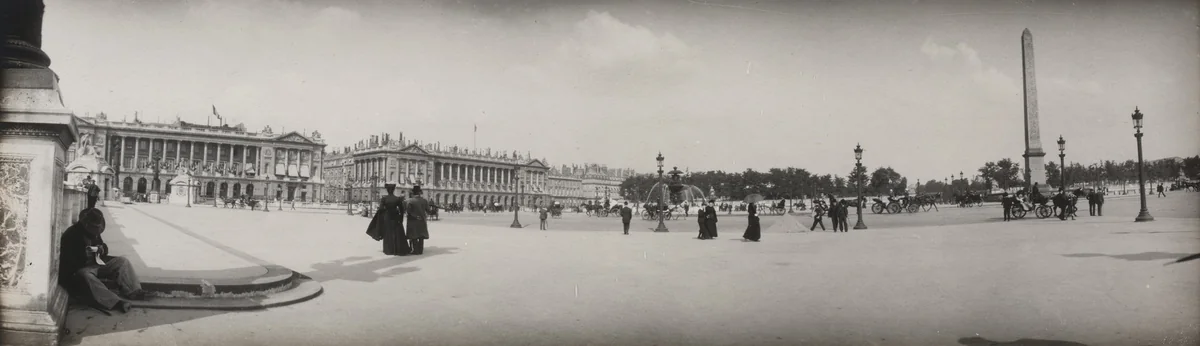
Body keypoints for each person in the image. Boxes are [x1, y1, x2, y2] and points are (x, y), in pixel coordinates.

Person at [60, 208, 147, 314]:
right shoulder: (71, 235)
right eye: (95, 227)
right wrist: (83, 256)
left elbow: (102, 247)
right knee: (86, 275)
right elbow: (67, 264)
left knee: (122, 261)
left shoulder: (94, 232)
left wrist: (102, 249)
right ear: (87, 225)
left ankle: (134, 291)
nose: (97, 230)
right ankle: (116, 302)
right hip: (82, 269)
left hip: (97, 264)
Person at [366, 183, 409, 256]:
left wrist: (382, 215)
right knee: (397, 233)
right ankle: (398, 249)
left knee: (388, 233)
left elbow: (381, 209)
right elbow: (402, 210)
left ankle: (388, 250)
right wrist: (401, 219)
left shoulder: (384, 199)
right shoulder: (397, 199)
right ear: (393, 190)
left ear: (387, 190)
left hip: (387, 217)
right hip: (396, 217)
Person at [406, 185, 431, 255]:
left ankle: (415, 250)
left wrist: (415, 216)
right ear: (419, 192)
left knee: (414, 235)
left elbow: (408, 211)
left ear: (413, 193)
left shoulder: (410, 201)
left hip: (413, 220)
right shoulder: (424, 201)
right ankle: (420, 250)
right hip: (422, 220)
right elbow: (428, 211)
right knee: (421, 235)